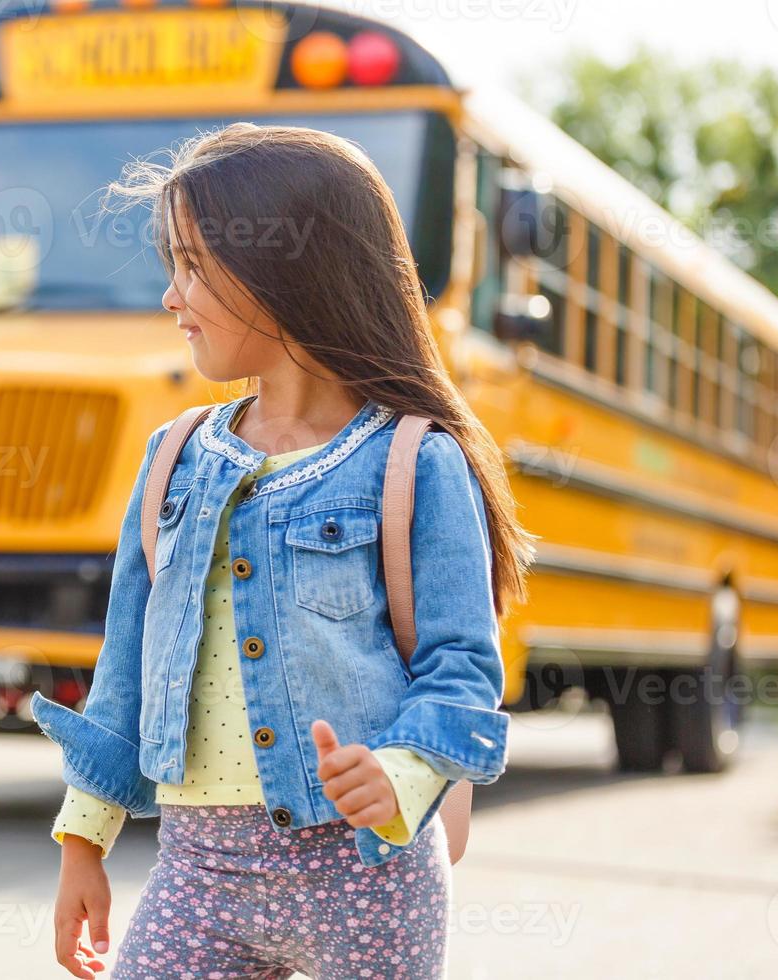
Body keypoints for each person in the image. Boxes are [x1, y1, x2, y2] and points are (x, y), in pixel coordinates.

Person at [31, 122, 537, 980]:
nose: (171, 295)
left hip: (368, 873)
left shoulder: (415, 460)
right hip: (201, 872)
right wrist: (85, 838)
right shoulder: (174, 458)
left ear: (288, 270)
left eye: (194, 263)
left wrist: (403, 770)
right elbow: (125, 666)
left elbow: (463, 667)